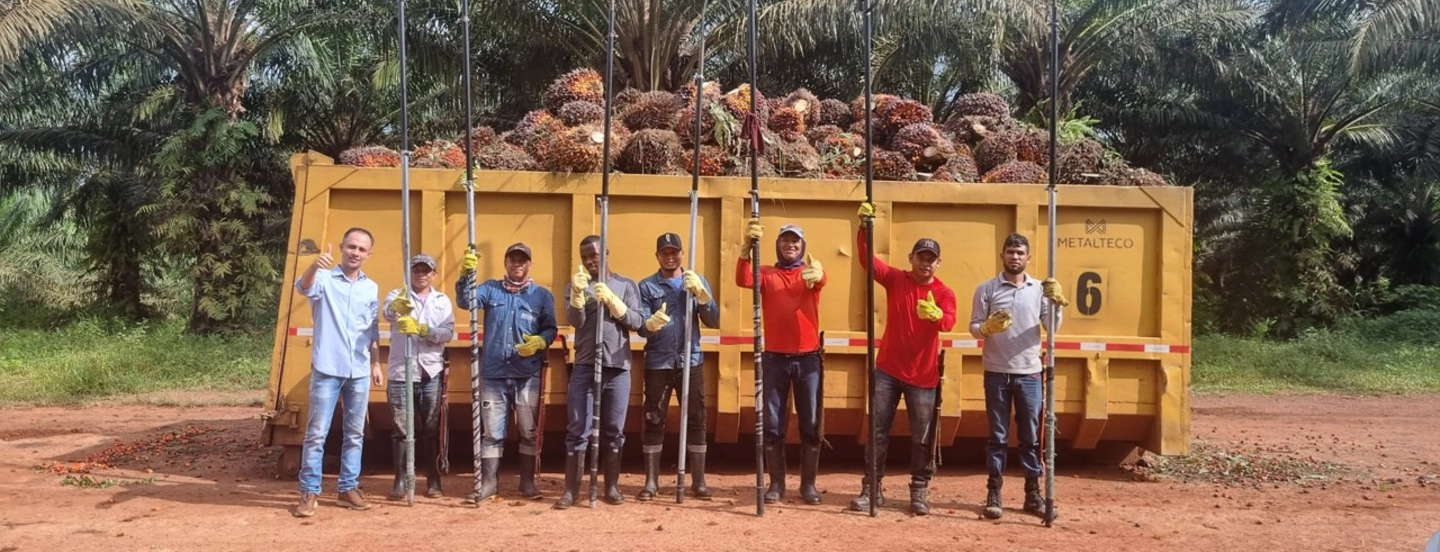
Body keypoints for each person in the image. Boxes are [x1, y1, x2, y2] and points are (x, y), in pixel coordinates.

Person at [849, 202, 957, 516]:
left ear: (938, 263)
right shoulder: (898, 280)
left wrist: (937, 316)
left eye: (931, 259)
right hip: (888, 370)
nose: (925, 263)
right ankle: (872, 489)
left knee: (922, 437)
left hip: (923, 377)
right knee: (877, 431)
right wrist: (863, 229)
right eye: (920, 257)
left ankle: (919, 492)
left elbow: (950, 321)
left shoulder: (944, 292)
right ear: (911, 259)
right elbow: (868, 261)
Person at [968, 232, 1066, 520]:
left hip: (1029, 374)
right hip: (996, 373)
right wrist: (985, 329)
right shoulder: (986, 288)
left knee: (1030, 437)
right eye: (1010, 252)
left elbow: (1051, 328)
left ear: (1028, 257)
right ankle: (994, 492)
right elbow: (973, 326)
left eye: (1020, 252)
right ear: (1002, 256)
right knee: (997, 437)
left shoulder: (1039, 290)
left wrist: (1056, 304)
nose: (1015, 256)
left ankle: (1033, 493)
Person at [454, 243, 559, 503]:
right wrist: (465, 275)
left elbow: (551, 328)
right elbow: (466, 301)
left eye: (522, 261)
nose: (517, 265)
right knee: (491, 432)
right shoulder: (490, 289)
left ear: (529, 265)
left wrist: (540, 342)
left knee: (528, 430)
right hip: (494, 373)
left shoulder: (542, 296)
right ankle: (489, 484)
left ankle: (527, 483)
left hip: (527, 374)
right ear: (505, 264)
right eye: (512, 260)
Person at [291, 228, 383, 518]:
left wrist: (376, 363)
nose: (355, 252)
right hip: (327, 367)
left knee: (355, 433)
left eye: (361, 249)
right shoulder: (324, 280)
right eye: (351, 246)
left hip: (358, 370)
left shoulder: (371, 288)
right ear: (342, 247)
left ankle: (347, 489)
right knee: (316, 433)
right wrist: (313, 266)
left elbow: (372, 329)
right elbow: (303, 288)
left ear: (369, 254)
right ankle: (309, 492)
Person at [736, 218, 827, 505]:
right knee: (773, 423)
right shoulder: (766, 273)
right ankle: (776, 484)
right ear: (777, 245)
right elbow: (743, 279)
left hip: (809, 360)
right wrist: (745, 251)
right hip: (774, 358)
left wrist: (820, 274)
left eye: (795, 241)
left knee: (811, 424)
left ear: (802, 246)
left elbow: (821, 280)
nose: (791, 245)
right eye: (785, 240)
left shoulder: (810, 274)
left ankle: (808, 486)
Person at [554, 235, 646, 509]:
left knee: (614, 429)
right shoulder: (575, 285)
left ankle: (612, 488)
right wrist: (580, 297)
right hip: (585, 365)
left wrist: (615, 303)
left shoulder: (626, 284)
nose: (591, 261)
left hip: (618, 368)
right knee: (577, 428)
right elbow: (575, 321)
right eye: (585, 257)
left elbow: (638, 322)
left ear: (606, 252)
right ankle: (571, 491)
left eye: (594, 254)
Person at [635, 232, 720, 501]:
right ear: (657, 256)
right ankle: (651, 483)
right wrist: (649, 324)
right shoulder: (647, 286)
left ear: (682, 254)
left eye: (674, 252)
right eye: (664, 253)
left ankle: (699, 482)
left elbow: (713, 320)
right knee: (654, 420)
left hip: (690, 359)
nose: (670, 257)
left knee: (696, 419)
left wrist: (703, 297)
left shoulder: (694, 281)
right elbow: (642, 328)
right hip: (658, 361)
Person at [382, 254, 456, 500]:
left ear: (433, 274)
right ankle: (401, 479)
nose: (421, 274)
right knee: (401, 429)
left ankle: (433, 479)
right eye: (416, 270)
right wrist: (396, 308)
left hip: (430, 372)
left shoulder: (442, 301)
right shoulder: (397, 295)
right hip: (401, 373)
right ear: (410, 272)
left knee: (431, 428)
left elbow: (448, 332)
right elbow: (387, 313)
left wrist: (426, 331)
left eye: (426, 270)